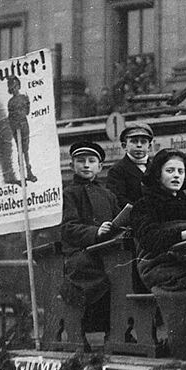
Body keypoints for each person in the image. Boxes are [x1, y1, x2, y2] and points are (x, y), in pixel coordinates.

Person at [131, 148, 186, 358]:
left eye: (180, 172)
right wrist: (182, 235)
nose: (176, 176)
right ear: (158, 174)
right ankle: (182, 348)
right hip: (157, 264)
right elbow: (149, 239)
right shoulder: (144, 204)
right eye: (170, 170)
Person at [60, 141, 123, 333]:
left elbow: (118, 221)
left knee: (123, 274)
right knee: (99, 277)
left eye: (91, 161)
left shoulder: (108, 195)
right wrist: (96, 232)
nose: (86, 165)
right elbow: (68, 227)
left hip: (108, 252)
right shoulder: (68, 194)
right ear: (72, 166)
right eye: (81, 161)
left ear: (100, 166)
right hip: (81, 254)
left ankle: (119, 331)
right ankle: (90, 332)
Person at [105, 122, 154, 210]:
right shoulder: (117, 170)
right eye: (134, 141)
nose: (139, 145)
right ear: (124, 146)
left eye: (143, 142)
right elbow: (118, 199)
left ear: (149, 147)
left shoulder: (156, 168)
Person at [6, 76, 37, 185]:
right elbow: (10, 117)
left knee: (25, 150)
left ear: (19, 86)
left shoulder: (24, 98)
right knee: (20, 150)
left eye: (15, 86)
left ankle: (29, 172)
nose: (14, 89)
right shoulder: (10, 102)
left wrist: (28, 103)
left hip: (24, 125)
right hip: (16, 127)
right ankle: (22, 174)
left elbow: (27, 112)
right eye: (12, 87)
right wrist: (13, 127)